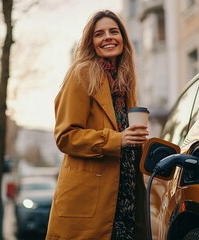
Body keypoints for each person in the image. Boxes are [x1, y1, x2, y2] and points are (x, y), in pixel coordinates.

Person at [46, 10, 149, 240]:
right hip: (92, 201)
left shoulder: (125, 82)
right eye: (99, 34)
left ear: (123, 37)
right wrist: (117, 140)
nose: (108, 37)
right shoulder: (81, 73)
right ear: (91, 42)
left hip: (126, 197)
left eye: (114, 31)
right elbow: (65, 135)